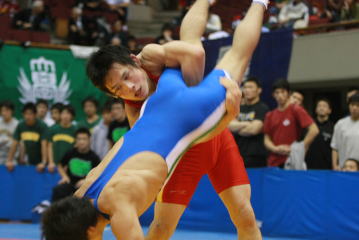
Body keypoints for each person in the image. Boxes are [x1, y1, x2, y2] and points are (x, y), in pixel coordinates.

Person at [42, 1, 266, 239]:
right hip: (177, 122)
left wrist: (225, 116)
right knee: (227, 54)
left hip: (196, 120)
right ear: (113, 95)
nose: (131, 88)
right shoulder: (83, 194)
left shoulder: (149, 56)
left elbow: (196, 52)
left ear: (133, 60)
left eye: (128, 76)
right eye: (120, 89)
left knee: (234, 55)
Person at [263, 79, 319, 167]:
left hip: (291, 161)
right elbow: (266, 139)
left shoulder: (295, 110)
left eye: (282, 92)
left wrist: (297, 149)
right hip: (273, 162)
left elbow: (314, 130)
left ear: (288, 93)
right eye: (277, 93)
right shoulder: (269, 115)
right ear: (273, 95)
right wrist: (275, 149)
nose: (280, 95)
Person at [51, 128, 100, 202]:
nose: (81, 142)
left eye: (84, 139)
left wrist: (86, 181)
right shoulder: (70, 153)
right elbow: (60, 165)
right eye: (79, 139)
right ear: (76, 140)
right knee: (58, 190)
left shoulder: (94, 157)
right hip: (70, 185)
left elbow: (98, 174)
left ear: (89, 140)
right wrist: (64, 177)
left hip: (85, 187)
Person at [229, 77, 269, 168]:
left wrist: (237, 127)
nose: (247, 90)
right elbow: (229, 126)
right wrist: (247, 124)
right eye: (245, 87)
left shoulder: (262, 108)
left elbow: (254, 130)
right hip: (237, 153)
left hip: (255, 157)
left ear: (259, 90)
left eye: (250, 87)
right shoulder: (238, 108)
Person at [5, 103, 48, 172]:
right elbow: (15, 143)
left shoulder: (42, 126)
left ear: (35, 115)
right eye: (25, 114)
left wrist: (43, 162)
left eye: (30, 114)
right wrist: (9, 160)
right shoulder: (21, 125)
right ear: (23, 114)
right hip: (30, 159)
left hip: (43, 160)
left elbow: (44, 145)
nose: (28, 116)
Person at [331, 93, 359, 170]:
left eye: (357, 105)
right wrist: (334, 165)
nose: (354, 108)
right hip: (344, 168)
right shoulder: (340, 124)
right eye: (352, 105)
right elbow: (334, 147)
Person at [305, 98, 334, 169]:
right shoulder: (309, 126)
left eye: (324, 106)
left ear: (329, 110)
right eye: (319, 106)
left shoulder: (334, 127)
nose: (321, 108)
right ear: (315, 110)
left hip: (327, 168)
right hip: (309, 166)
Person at [47, 105, 77, 172]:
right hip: (53, 166)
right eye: (63, 113)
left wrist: (69, 164)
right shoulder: (53, 129)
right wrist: (51, 162)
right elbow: (49, 147)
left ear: (72, 116)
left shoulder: (75, 130)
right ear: (60, 115)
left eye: (68, 113)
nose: (65, 116)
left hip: (68, 167)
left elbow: (76, 149)